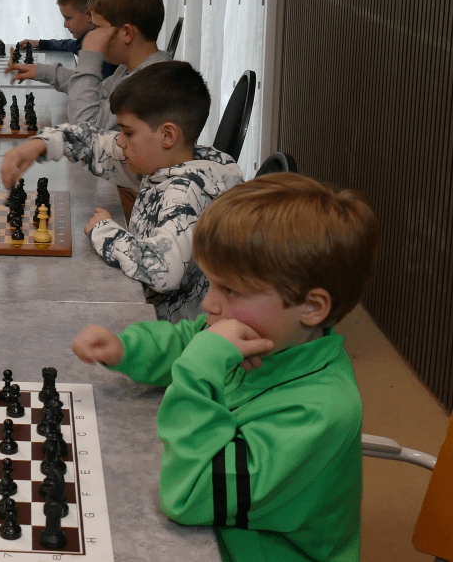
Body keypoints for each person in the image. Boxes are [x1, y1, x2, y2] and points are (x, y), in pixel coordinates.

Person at [71, 172, 379, 561]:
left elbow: (189, 495)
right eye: (212, 283)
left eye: (230, 290)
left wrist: (198, 370)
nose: (209, 304)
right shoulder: (271, 337)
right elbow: (189, 338)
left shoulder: (319, 412)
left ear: (311, 307)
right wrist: (127, 348)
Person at [2, 61, 243, 322]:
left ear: (168, 135)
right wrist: (39, 144)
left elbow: (164, 271)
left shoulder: (184, 194)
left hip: (175, 333)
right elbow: (93, 142)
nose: (119, 140)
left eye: (127, 132)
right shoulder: (164, 160)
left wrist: (104, 230)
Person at [8, 0, 170, 130]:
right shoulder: (130, 69)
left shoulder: (147, 85)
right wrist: (44, 72)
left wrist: (90, 57)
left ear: (127, 33)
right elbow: (95, 90)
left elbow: (86, 129)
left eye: (98, 28)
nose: (92, 34)